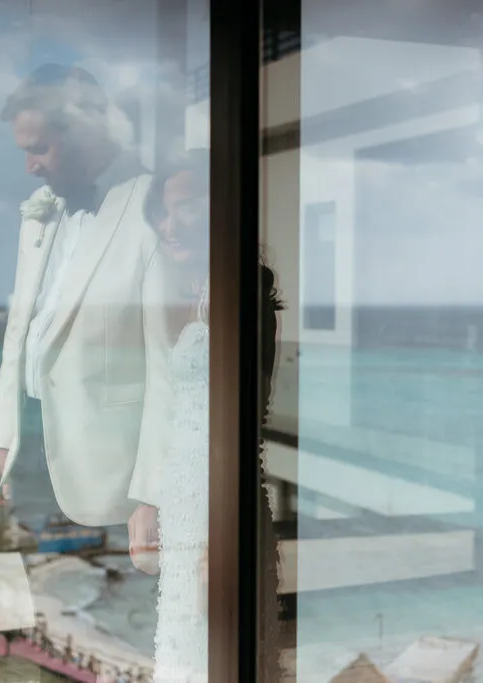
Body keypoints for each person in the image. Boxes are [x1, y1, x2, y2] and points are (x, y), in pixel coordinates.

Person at [0, 63, 172, 567]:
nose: (29, 166)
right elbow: (20, 333)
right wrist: (2, 441)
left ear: (86, 130)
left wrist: (152, 493)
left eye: (38, 148)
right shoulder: (40, 212)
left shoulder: (154, 207)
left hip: (117, 489)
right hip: (36, 462)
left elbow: (168, 366)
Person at [144, 149, 282, 682]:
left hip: (214, 505)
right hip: (185, 502)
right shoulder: (198, 292)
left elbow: (247, 423)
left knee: (212, 649)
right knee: (185, 640)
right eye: (161, 211)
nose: (166, 225)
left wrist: (213, 537)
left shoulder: (244, 294)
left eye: (180, 209)